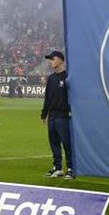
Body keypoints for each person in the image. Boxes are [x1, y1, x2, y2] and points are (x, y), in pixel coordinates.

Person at [41, 51, 73, 179]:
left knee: (66, 143)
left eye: (52, 59)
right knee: (54, 142)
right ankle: (58, 167)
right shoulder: (51, 78)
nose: (51, 61)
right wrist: (44, 114)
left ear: (60, 60)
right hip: (52, 115)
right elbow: (47, 97)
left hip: (63, 115)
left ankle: (70, 168)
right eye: (50, 60)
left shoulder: (67, 77)